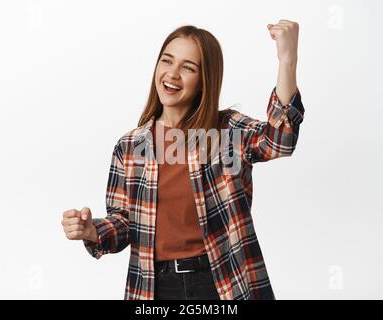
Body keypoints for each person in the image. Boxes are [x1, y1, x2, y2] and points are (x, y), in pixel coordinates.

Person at [61, 21, 305, 300]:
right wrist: (92, 230)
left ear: (205, 80)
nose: (172, 74)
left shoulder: (227, 132)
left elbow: (280, 140)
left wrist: (287, 60)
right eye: (167, 61)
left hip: (223, 283)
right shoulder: (130, 146)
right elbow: (125, 222)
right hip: (154, 287)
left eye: (188, 67)